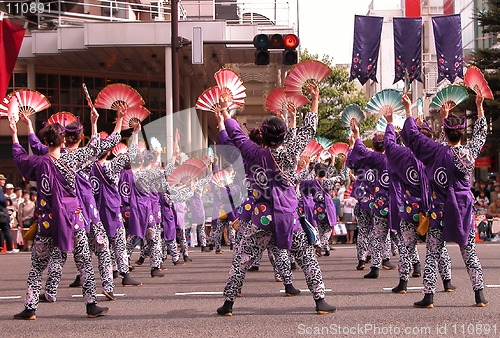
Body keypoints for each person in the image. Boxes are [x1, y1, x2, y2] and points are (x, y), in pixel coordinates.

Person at [217, 87, 336, 316]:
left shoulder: (253, 152)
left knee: (241, 259)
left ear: (263, 134)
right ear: (283, 136)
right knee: (306, 257)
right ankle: (320, 300)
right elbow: (308, 129)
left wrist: (225, 111)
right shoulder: (290, 152)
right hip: (287, 217)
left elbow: (236, 135)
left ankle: (229, 304)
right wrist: (315, 99)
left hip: (260, 217)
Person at [9, 96, 108, 319]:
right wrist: (93, 123)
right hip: (74, 218)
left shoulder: (39, 162)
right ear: (63, 141)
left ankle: (30, 307)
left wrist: (15, 132)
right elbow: (94, 149)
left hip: (47, 220)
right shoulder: (72, 159)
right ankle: (91, 304)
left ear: (46, 142)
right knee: (84, 261)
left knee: (37, 266)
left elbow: (19, 157)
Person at [401, 93, 488, 308]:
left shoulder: (435, 152)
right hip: (462, 210)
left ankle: (429, 297)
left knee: (432, 252)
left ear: (445, 131)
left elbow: (413, 136)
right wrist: (479, 107)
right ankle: (479, 295)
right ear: (461, 133)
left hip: (438, 210)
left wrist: (408, 109)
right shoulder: (467, 154)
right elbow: (480, 135)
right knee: (469, 252)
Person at [0, 174, 18, 253]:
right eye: (2, 180)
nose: (3, 181)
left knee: (4, 230)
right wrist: (6, 204)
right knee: (6, 230)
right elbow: (2, 200)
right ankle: (10, 248)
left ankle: (7, 247)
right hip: (2, 212)